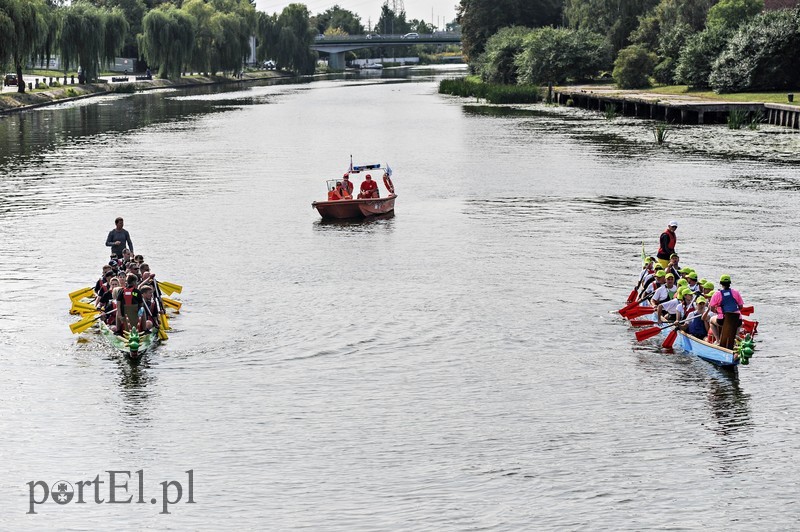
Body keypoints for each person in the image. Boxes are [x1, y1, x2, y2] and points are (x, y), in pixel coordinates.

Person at [708, 274, 744, 349]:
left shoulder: (717, 294)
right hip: (737, 319)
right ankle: (735, 342)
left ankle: (718, 340)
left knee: (711, 321)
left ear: (721, 284)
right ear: (729, 283)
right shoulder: (736, 292)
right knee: (738, 323)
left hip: (722, 320)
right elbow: (741, 307)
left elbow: (711, 308)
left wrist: (718, 312)